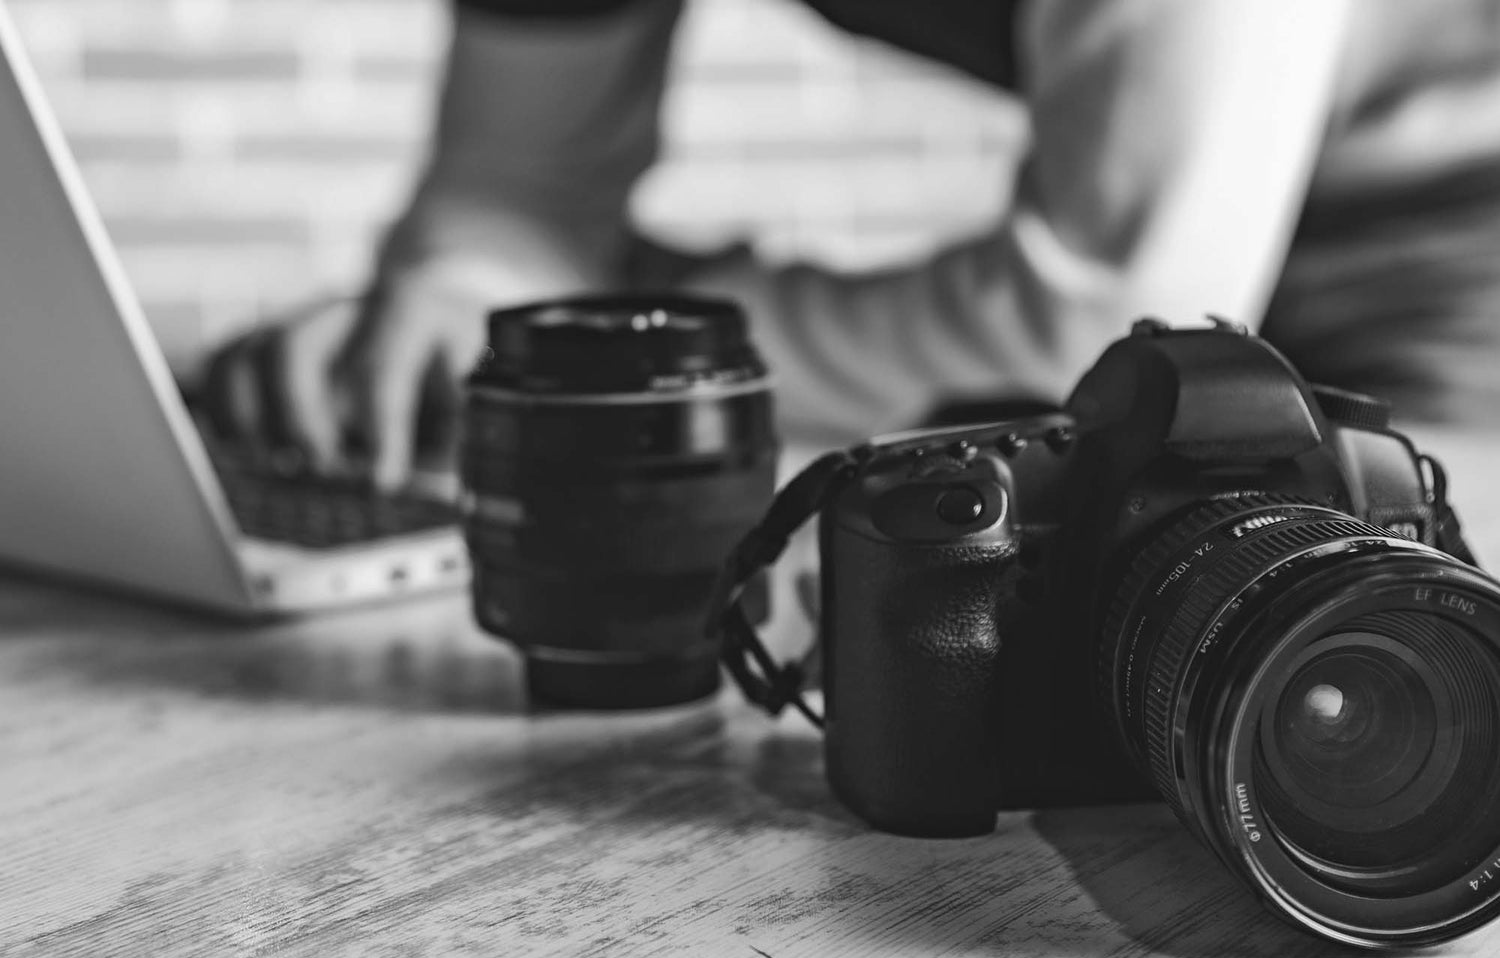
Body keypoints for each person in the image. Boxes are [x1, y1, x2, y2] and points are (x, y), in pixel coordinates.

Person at [200, 0, 1500, 491]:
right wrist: (455, 306)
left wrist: (631, 338)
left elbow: (1103, 320)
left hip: (1439, 237)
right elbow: (515, 195)